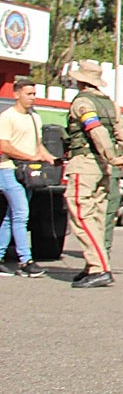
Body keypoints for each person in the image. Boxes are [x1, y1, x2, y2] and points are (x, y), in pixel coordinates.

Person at [64, 60, 123, 288]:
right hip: (104, 168)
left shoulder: (82, 102)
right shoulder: (108, 103)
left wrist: (109, 154)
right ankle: (94, 264)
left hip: (86, 162)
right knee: (98, 217)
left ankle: (99, 267)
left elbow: (95, 130)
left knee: (80, 212)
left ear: (80, 80)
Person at [0, 78, 56, 277]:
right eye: (28, 94)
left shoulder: (34, 117)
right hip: (8, 170)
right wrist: (29, 156)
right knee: (21, 214)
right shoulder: (7, 117)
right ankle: (26, 260)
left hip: (28, 173)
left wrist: (48, 157)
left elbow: (38, 144)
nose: (32, 98)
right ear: (16, 94)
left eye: (34, 94)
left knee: (11, 216)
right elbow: (3, 146)